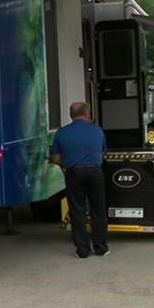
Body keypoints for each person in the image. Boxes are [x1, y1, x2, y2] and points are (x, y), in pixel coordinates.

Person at [49, 102, 109, 258]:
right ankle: (101, 247)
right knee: (98, 210)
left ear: (71, 115)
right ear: (88, 114)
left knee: (77, 211)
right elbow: (103, 153)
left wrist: (68, 163)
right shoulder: (97, 130)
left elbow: (55, 158)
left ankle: (82, 250)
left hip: (74, 173)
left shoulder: (62, 133)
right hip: (95, 172)